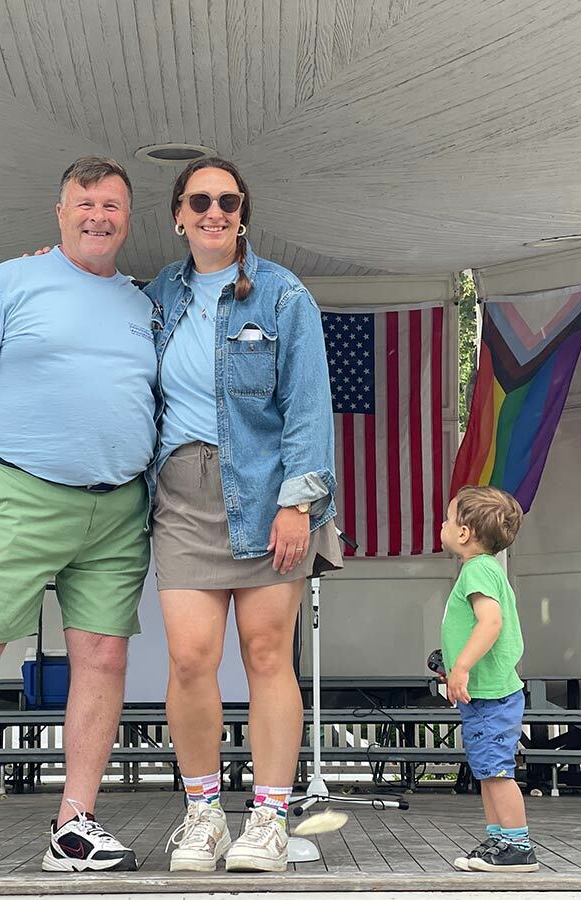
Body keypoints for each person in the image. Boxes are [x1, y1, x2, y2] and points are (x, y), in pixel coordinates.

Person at [0, 156, 156, 881]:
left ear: (128, 218)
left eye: (111, 205)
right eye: (85, 203)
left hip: (117, 507)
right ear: (59, 211)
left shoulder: (143, 305)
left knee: (103, 658)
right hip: (17, 492)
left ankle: (74, 824)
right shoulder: (10, 281)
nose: (98, 216)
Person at [146, 157, 343, 873]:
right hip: (183, 492)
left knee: (265, 655)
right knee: (192, 659)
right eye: (200, 199)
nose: (214, 211)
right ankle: (203, 814)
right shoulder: (159, 295)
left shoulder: (283, 295)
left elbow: (309, 406)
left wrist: (299, 502)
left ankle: (267, 816)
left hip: (269, 493)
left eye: (228, 200)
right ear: (178, 213)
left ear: (243, 213)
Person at [438, 485, 539, 873]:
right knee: (486, 770)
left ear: (463, 533)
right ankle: (500, 838)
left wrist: (461, 666)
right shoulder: (485, 569)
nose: (443, 525)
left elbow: (490, 622)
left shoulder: (477, 570)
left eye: (449, 519)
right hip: (484, 693)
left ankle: (518, 845)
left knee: (496, 771)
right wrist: (448, 660)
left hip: (491, 694)